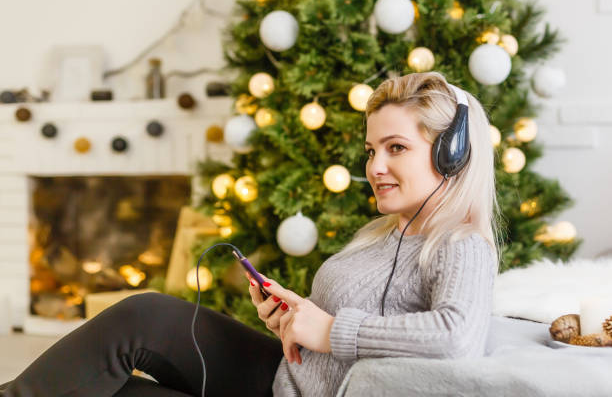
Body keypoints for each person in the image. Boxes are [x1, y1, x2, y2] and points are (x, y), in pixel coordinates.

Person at [0, 71, 501, 397]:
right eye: (372, 150)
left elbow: (458, 336)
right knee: (139, 319)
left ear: (449, 154)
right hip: (283, 376)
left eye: (396, 148)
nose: (376, 166)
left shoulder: (462, 244)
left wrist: (327, 330)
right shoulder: (386, 233)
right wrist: (292, 317)